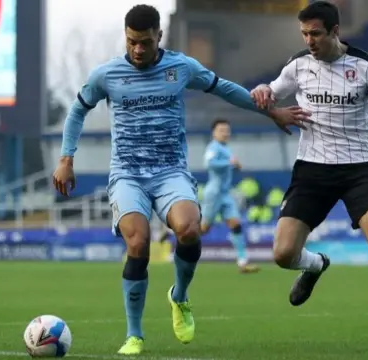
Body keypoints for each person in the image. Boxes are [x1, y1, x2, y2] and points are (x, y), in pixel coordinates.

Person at [52, 4, 311, 355]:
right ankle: (134, 334)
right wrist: (66, 159)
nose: (138, 49)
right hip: (128, 174)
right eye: (131, 42)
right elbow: (78, 109)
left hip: (171, 171)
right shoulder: (107, 75)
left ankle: (180, 295)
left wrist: (271, 111)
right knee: (138, 244)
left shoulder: (181, 67)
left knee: (189, 230)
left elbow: (224, 89)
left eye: (145, 42)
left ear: (159, 36)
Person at [250, 1, 368, 351]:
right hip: (312, 169)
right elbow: (270, 93)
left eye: (315, 33)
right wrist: (266, 98)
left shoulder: (366, 68)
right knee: (283, 254)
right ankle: (316, 265)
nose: (309, 40)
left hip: (357, 167)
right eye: (304, 34)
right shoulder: (298, 65)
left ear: (335, 31)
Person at [201, 118, 260, 273]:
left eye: (227, 130)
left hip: (226, 194)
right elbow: (210, 164)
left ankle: (242, 262)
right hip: (214, 193)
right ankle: (171, 233)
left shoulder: (226, 148)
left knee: (236, 224)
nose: (225, 133)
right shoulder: (213, 147)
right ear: (214, 133)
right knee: (203, 229)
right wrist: (230, 163)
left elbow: (229, 165)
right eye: (221, 130)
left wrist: (235, 165)